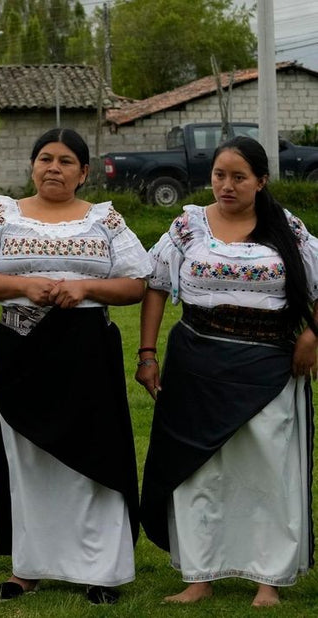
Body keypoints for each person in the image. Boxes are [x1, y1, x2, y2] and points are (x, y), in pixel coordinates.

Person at [0, 128, 150, 605]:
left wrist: (84, 288)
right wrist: (24, 286)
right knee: (28, 461)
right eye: (45, 158)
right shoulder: (4, 214)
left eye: (66, 161)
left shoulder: (105, 220)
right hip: (22, 350)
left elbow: (136, 283)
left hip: (86, 351)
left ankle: (101, 572)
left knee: (93, 458)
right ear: (31, 165)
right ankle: (28, 568)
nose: (53, 168)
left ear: (84, 173)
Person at [136, 136, 318, 608]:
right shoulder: (188, 226)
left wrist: (312, 335)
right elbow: (156, 283)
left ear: (261, 181)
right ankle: (199, 576)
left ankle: (268, 581)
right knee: (200, 472)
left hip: (268, 366)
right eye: (220, 175)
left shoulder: (287, 229)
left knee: (268, 470)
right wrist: (148, 354)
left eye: (239, 177)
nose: (227, 185)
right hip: (196, 363)